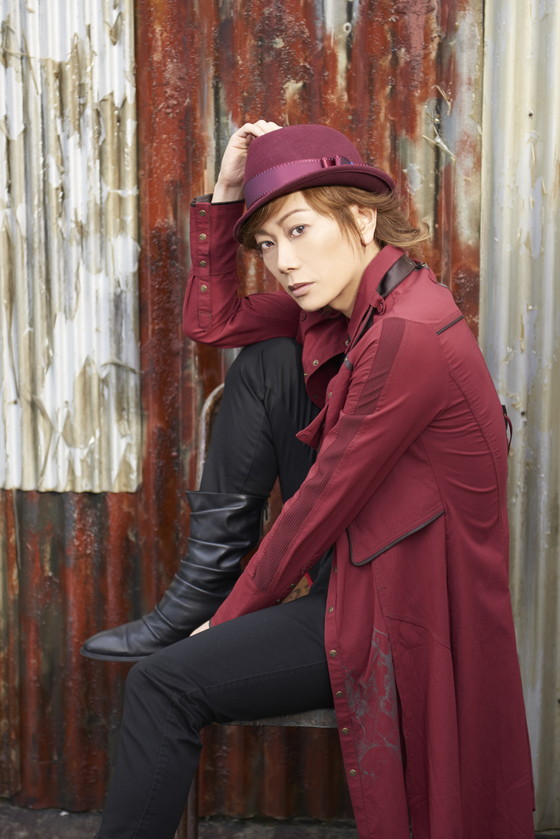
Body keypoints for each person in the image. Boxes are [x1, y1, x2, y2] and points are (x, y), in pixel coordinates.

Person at [85, 121, 534, 839]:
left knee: (161, 683)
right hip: (358, 559)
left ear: (361, 218)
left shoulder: (407, 334)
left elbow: (320, 502)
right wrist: (227, 194)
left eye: (298, 230)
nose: (283, 262)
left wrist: (222, 624)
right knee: (265, 362)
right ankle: (202, 584)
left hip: (395, 603)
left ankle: (203, 602)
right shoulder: (355, 308)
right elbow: (215, 322)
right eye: (266, 245)